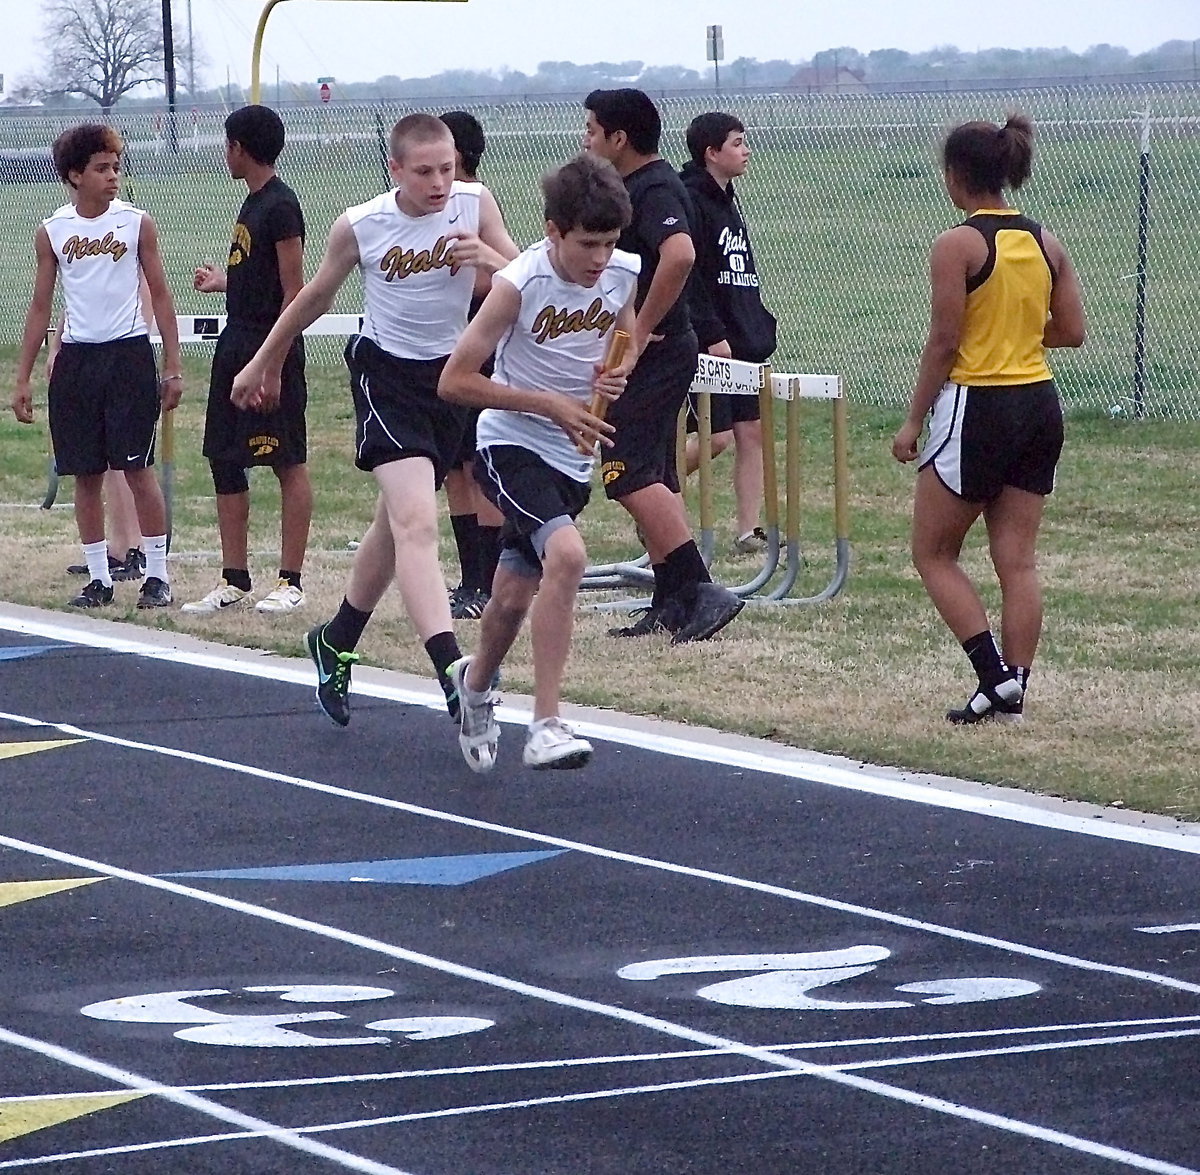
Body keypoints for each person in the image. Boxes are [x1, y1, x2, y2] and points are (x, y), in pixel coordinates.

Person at [231, 113, 518, 726]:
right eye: (424, 172)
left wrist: (490, 258)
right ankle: (451, 671)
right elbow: (313, 296)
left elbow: (524, 279)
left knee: (394, 524)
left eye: (447, 169)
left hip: (451, 377)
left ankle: (336, 638)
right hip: (386, 377)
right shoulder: (363, 225)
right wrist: (263, 361)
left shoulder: (475, 203)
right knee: (417, 522)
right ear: (395, 170)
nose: (439, 183)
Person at [439, 153, 638, 772]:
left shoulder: (623, 274)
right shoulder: (519, 284)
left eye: (609, 243)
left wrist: (613, 380)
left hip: (570, 456)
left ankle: (474, 688)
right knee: (570, 557)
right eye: (587, 244)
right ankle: (547, 724)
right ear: (553, 230)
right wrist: (549, 405)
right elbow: (455, 381)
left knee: (511, 598)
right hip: (509, 442)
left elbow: (621, 340)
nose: (599, 258)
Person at [891, 114, 1085, 724]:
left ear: (956, 176)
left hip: (980, 404)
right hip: (1039, 403)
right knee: (1017, 559)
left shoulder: (958, 243)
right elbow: (1072, 332)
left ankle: (992, 674)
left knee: (933, 552)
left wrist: (911, 421)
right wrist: (1019, 333)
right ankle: (1014, 689)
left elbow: (944, 341)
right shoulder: (1048, 241)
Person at [582, 88, 743, 644]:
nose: (586, 139)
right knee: (656, 473)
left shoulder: (654, 187)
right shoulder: (632, 187)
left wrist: (641, 332)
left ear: (618, 138)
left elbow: (679, 255)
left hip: (660, 349)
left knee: (627, 474)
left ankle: (701, 588)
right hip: (644, 348)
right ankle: (670, 598)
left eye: (592, 130)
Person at [10, 122, 181, 609]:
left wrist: (172, 363)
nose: (112, 177)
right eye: (101, 169)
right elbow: (41, 306)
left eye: (116, 168)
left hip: (127, 355)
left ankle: (157, 574)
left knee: (136, 469)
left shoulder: (136, 223)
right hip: (78, 359)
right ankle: (100, 577)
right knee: (84, 472)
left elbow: (162, 294)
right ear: (74, 175)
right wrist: (22, 377)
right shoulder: (54, 230)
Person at [183, 104, 312, 616]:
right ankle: (233, 578)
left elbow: (294, 291)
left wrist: (273, 365)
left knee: (285, 460)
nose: (224, 153)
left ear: (241, 148)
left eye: (227, 144)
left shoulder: (281, 205)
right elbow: (256, 277)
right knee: (224, 457)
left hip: (268, 346)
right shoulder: (250, 204)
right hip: (235, 343)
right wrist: (224, 282)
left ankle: (290, 580)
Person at [679, 111, 778, 554]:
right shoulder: (690, 200)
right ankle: (654, 497)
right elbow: (692, 277)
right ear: (711, 153)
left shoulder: (727, 202)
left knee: (751, 432)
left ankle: (747, 530)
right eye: (737, 143)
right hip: (711, 342)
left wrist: (757, 322)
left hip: (743, 340)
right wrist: (712, 333)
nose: (746, 150)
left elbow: (738, 274)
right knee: (715, 437)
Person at [438, 110, 506, 621]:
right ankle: (470, 577)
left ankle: (486, 578)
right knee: (454, 470)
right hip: (437, 351)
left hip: (474, 347)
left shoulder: (474, 201)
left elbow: (511, 269)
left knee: (477, 468)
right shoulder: (425, 206)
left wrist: (478, 266)